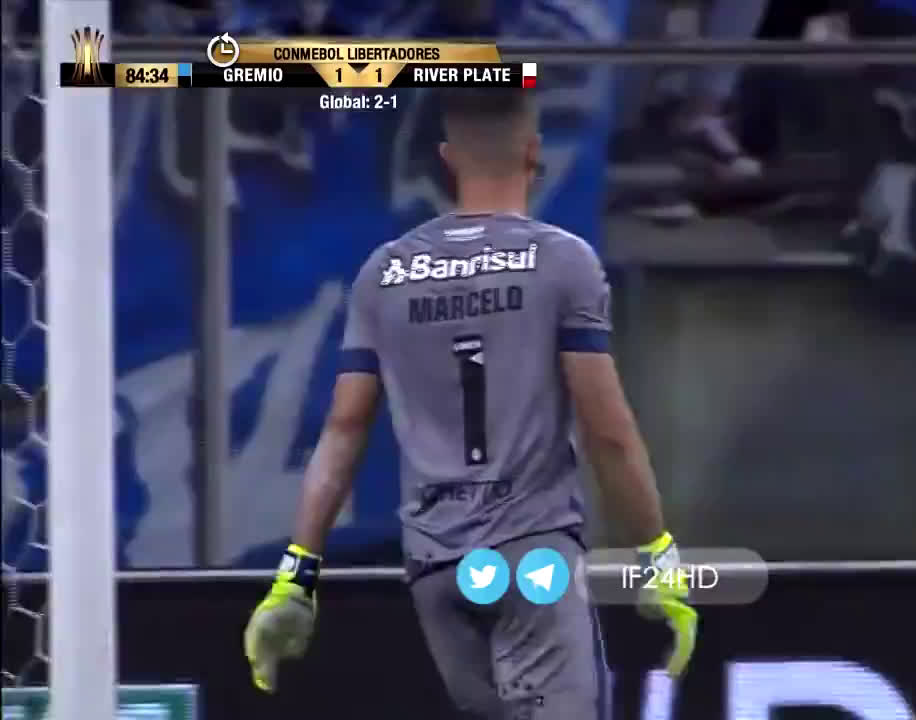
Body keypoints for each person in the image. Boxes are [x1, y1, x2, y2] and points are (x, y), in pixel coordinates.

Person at [241, 87, 697, 719]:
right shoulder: (562, 260)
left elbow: (343, 431)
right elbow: (608, 430)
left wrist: (296, 578)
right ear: (533, 152)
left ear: (447, 158)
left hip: (438, 570)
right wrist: (657, 553)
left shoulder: (384, 273)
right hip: (532, 557)